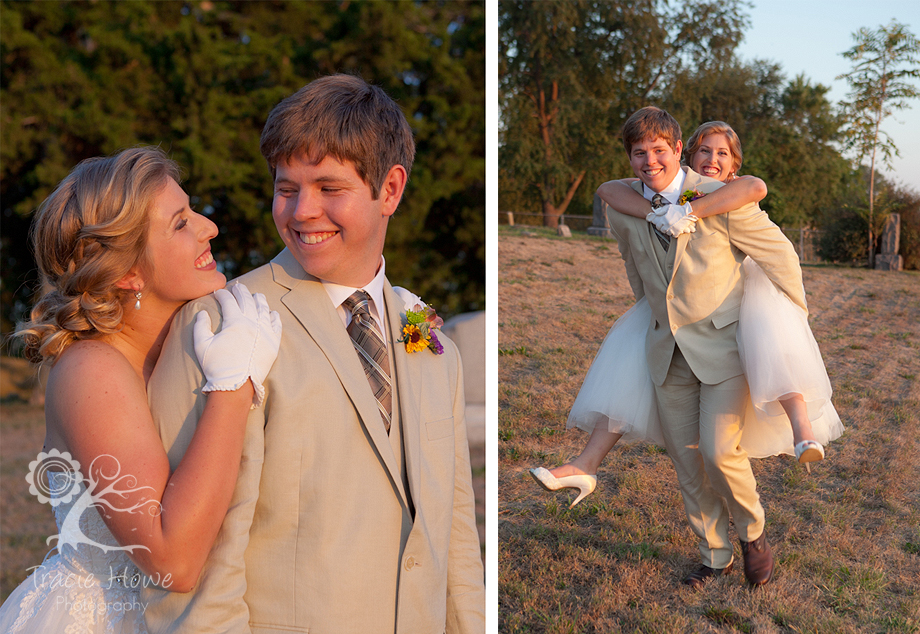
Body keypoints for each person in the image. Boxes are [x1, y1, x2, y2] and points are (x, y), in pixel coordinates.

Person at [140, 74, 485, 634]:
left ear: (390, 190)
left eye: (329, 188)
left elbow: (453, 538)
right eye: (285, 188)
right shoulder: (217, 326)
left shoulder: (429, 340)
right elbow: (194, 576)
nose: (302, 211)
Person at [0, 147, 282, 634]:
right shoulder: (91, 370)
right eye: (180, 223)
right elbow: (173, 560)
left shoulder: (180, 344)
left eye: (192, 210)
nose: (209, 227)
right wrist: (233, 388)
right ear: (128, 271)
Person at [539, 106, 808, 590]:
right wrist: (650, 312)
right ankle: (714, 554)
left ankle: (753, 534)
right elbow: (633, 264)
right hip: (666, 350)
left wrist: (793, 319)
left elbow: (778, 252)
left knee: (719, 449)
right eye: (639, 153)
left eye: (659, 150)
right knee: (687, 461)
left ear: (678, 149)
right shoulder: (623, 205)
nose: (649, 160)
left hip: (724, 347)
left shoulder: (714, 196)